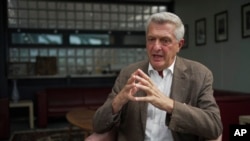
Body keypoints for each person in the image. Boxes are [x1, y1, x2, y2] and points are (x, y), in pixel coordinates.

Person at [92, 12, 223, 141]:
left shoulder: (199, 74)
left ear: (179, 45)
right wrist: (119, 100)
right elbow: (98, 125)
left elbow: (214, 126)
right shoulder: (129, 73)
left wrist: (170, 105)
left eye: (165, 41)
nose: (156, 47)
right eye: (151, 39)